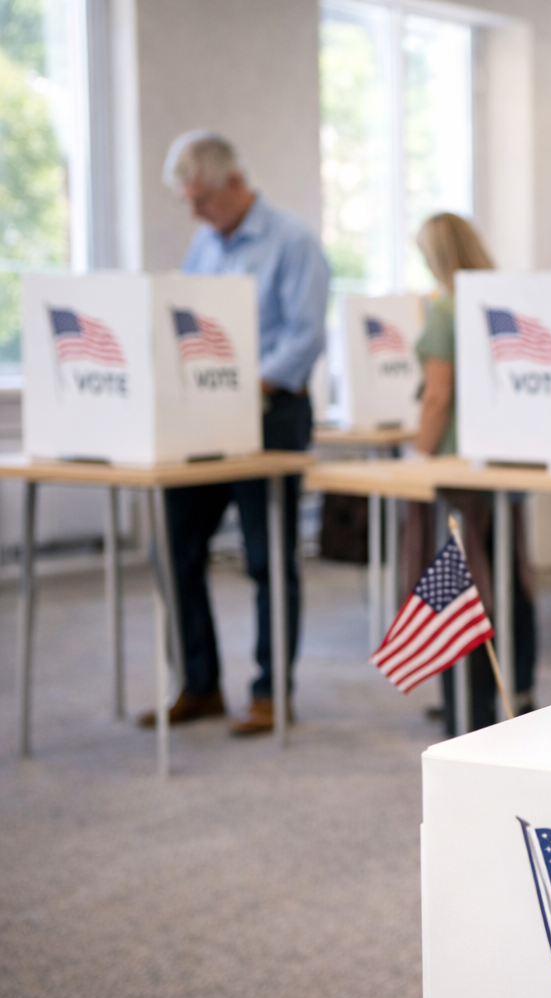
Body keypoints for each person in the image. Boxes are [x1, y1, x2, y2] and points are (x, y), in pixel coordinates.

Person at [139, 131, 329, 735]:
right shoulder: (205, 245)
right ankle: (199, 684)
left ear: (236, 184)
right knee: (173, 548)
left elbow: (304, 337)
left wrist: (246, 385)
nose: (193, 212)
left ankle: (273, 693)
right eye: (187, 201)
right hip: (205, 418)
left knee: (267, 558)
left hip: (273, 416)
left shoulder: (293, 242)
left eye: (200, 198)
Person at [406, 213, 538, 731]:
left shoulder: (446, 309)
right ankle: (518, 693)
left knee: (463, 589)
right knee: (510, 580)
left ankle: (470, 705)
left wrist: (417, 458)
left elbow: (438, 395)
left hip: (456, 468)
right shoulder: (502, 301)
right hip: (502, 463)